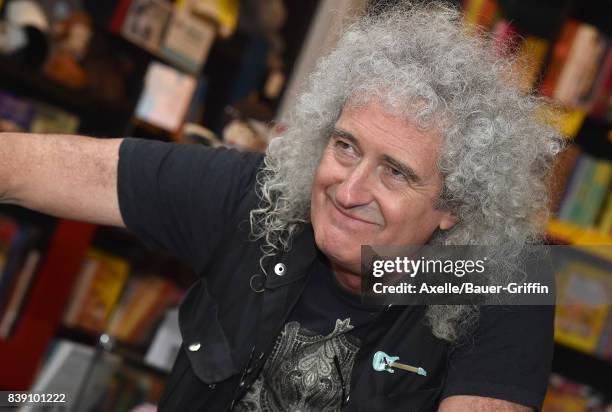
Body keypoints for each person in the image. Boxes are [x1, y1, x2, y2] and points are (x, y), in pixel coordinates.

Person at [0, 2, 564, 411]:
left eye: (395, 172)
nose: (348, 190)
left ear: (455, 206)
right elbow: (25, 167)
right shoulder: (261, 198)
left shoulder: (498, 289)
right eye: (345, 147)